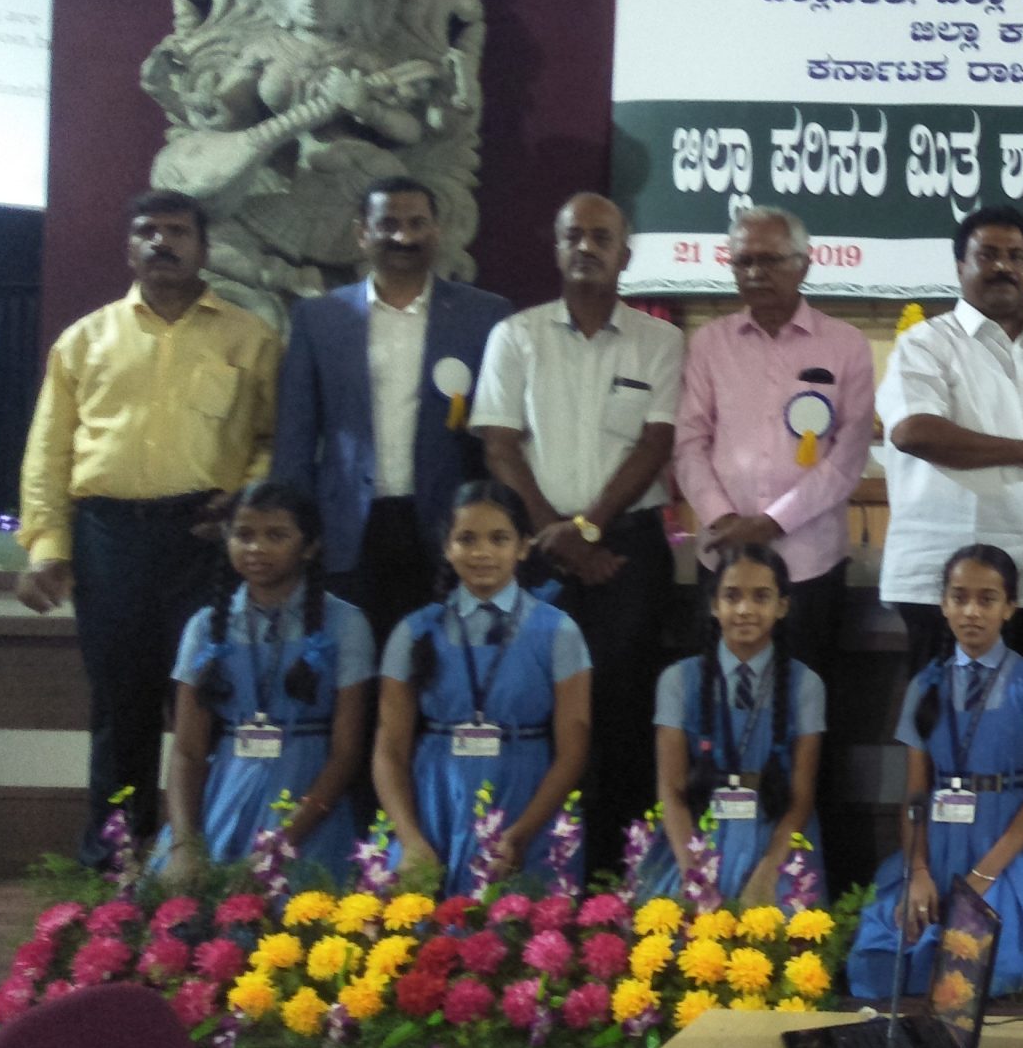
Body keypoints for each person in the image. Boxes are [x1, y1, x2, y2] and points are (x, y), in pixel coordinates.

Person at [17, 189, 281, 861]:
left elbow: (274, 438)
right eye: (148, 231)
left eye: (177, 231)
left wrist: (245, 497)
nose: (162, 242)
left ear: (204, 248)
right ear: (129, 247)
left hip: (206, 539)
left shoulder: (250, 338)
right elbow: (49, 450)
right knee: (120, 707)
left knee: (212, 702)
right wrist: (48, 545)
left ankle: (212, 862)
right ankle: (115, 865)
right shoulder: (84, 340)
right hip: (109, 540)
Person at [474, 193, 684, 865]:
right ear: (557, 248)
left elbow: (655, 445)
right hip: (536, 548)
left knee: (622, 709)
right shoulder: (515, 335)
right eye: (574, 236)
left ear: (626, 253)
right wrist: (557, 534)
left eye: (601, 236)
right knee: (534, 706)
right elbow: (500, 445)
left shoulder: (662, 341)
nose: (586, 247)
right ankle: (532, 869)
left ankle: (613, 878)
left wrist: (590, 529)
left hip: (627, 551)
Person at [879, 204, 1023, 681]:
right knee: (951, 723)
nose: (1003, 267)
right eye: (987, 255)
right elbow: (913, 431)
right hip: (952, 591)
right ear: (960, 266)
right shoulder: (925, 345)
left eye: (1016, 256)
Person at [272, 175, 513, 644]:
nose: (404, 236)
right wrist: (291, 525)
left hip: (451, 524)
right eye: (388, 224)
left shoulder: (484, 316)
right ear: (362, 233)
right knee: (350, 662)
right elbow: (295, 435)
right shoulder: (320, 319)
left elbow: (501, 434)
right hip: (348, 525)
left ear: (437, 231)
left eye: (417, 223)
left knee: (439, 661)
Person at [846, 544, 1023, 1000]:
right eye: (959, 597)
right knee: (885, 954)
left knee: (985, 961)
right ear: (944, 605)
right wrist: (918, 870)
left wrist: (983, 877)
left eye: (987, 599)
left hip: (1004, 845)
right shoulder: (924, 684)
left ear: (1009, 607)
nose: (972, 611)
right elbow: (915, 794)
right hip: (937, 845)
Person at [674, 206, 875, 686]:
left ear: (803, 265)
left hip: (808, 564)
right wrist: (725, 520)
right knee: (720, 698)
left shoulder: (846, 345)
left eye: (769, 260)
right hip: (723, 559)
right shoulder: (709, 343)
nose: (754, 272)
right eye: (743, 261)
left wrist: (771, 523)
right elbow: (689, 443)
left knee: (805, 699)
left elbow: (847, 457)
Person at [373, 480, 593, 890]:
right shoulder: (414, 631)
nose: (482, 552)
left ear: (523, 546)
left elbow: (573, 749)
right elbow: (389, 748)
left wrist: (522, 833)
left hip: (527, 802)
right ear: (446, 547)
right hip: (434, 801)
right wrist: (410, 837)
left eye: (499, 539)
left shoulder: (558, 632)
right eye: (467, 539)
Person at [158, 480, 375, 885]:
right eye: (244, 535)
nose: (256, 548)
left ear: (309, 546)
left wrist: (282, 844)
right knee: (194, 905)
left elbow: (347, 754)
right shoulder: (204, 626)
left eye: (276, 536)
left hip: (310, 805)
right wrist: (184, 845)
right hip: (225, 796)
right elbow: (187, 751)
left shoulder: (346, 624)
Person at [638, 543, 825, 910]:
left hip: (776, 834)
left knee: (782, 927)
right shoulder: (678, 680)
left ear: (782, 606)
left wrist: (769, 870)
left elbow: (801, 798)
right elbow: (671, 790)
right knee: (672, 926)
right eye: (732, 596)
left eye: (761, 597)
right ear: (714, 604)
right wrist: (694, 872)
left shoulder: (806, 685)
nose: (745, 610)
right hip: (696, 835)